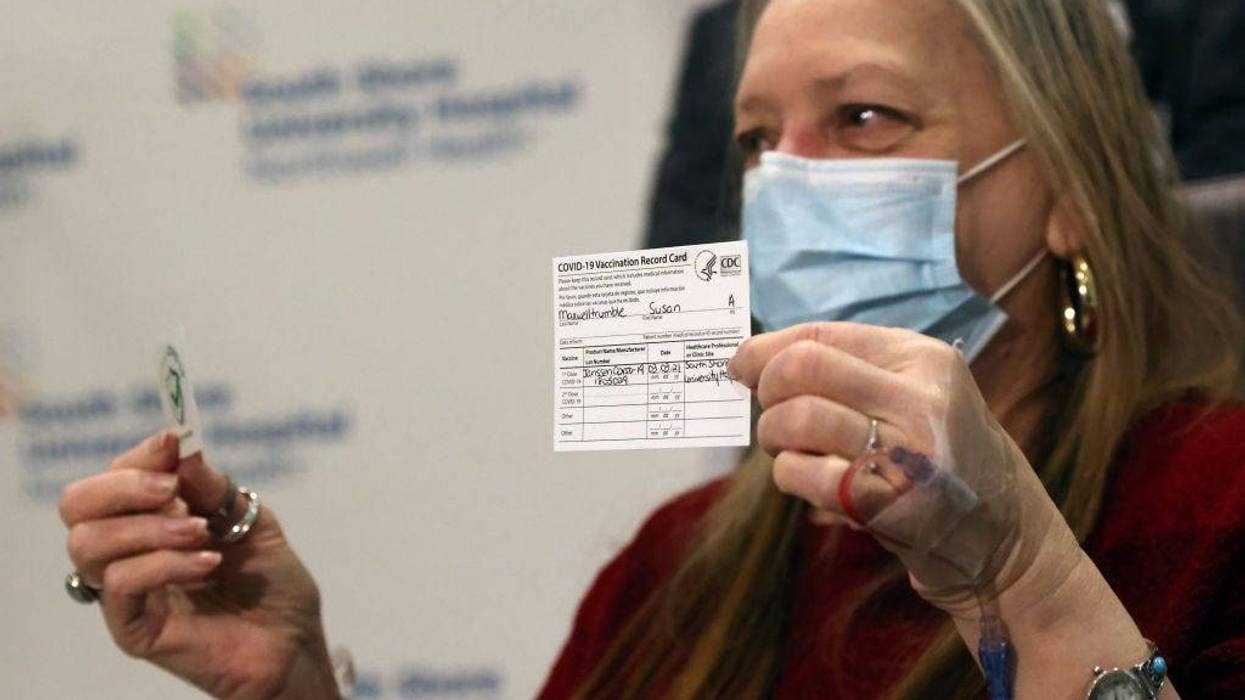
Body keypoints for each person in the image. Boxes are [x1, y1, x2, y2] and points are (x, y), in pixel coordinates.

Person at [59, 1, 1245, 698]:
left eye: (865, 119)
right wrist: (299, 682)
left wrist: (1029, 583)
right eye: (752, 145)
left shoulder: (1219, 500)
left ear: (1070, 190)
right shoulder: (682, 565)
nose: (787, 186)